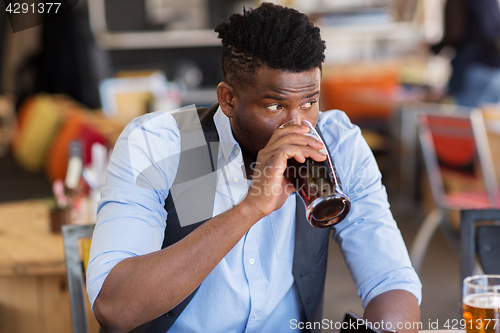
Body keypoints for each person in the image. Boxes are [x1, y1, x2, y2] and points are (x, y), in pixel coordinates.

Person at [87, 3, 421, 332]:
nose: (297, 127)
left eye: (310, 102)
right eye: (275, 105)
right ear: (228, 100)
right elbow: (115, 308)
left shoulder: (335, 145)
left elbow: (390, 280)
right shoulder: (169, 145)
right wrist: (251, 208)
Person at [432, 0, 500, 107]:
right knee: (487, 120)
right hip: (494, 68)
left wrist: (433, 49)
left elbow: (454, 32)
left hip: (474, 67)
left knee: (466, 117)